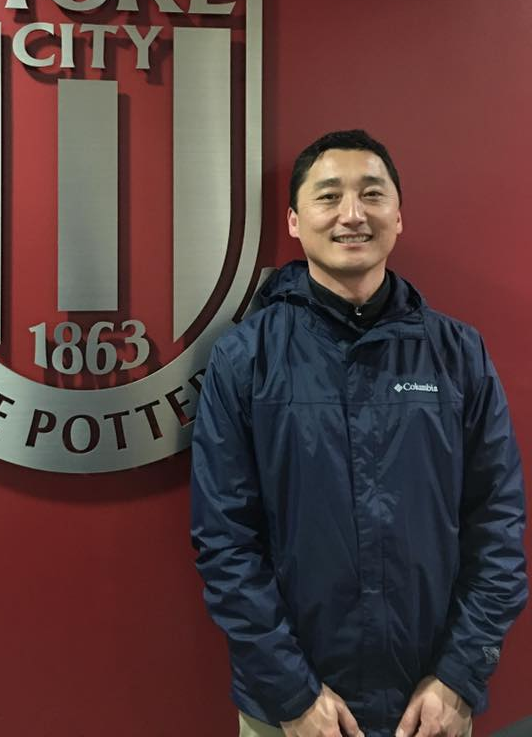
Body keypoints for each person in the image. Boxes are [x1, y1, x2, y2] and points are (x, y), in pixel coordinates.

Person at [191, 130, 527, 737]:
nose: (352, 214)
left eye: (372, 194)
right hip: (289, 714)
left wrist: (459, 676)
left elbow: (498, 524)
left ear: (398, 216)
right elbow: (225, 541)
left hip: (430, 708)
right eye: (328, 196)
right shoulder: (245, 358)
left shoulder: (457, 354)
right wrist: (292, 694)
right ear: (294, 221)